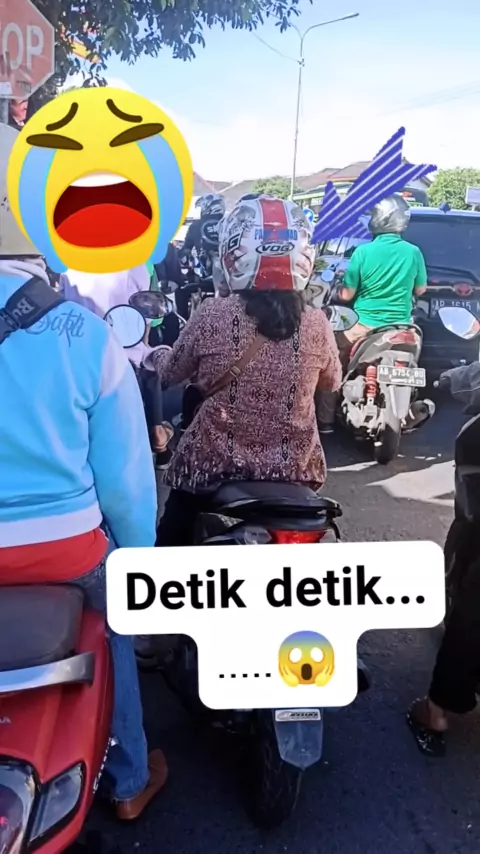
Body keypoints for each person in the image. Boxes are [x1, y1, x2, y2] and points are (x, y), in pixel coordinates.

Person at [0, 122, 167, 820]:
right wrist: (138, 560)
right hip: (63, 550)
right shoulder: (83, 333)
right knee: (115, 617)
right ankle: (127, 780)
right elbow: (126, 480)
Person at [145, 195, 342, 547]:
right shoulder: (317, 321)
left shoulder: (213, 313)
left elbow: (171, 373)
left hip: (211, 466)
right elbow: (332, 381)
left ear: (233, 253)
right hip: (295, 469)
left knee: (168, 550)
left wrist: (154, 354)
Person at [316, 194, 428, 433]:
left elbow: (346, 295)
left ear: (379, 218)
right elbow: (420, 289)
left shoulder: (363, 252)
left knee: (331, 359)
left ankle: (325, 421)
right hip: (403, 327)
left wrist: (337, 289)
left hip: (365, 325)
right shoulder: (414, 252)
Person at [60, 264, 173, 457]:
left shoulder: (69, 267)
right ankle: (158, 433)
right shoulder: (138, 267)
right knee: (127, 451)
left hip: (79, 363)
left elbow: (63, 310)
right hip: (124, 364)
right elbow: (146, 323)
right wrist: (142, 350)